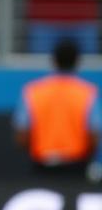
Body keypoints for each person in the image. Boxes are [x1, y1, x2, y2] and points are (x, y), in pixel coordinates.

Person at [14, 38, 101, 177]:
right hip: (77, 169)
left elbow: (22, 137)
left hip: (41, 167)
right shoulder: (88, 93)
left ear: (53, 61)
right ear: (77, 62)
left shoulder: (33, 91)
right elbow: (94, 136)